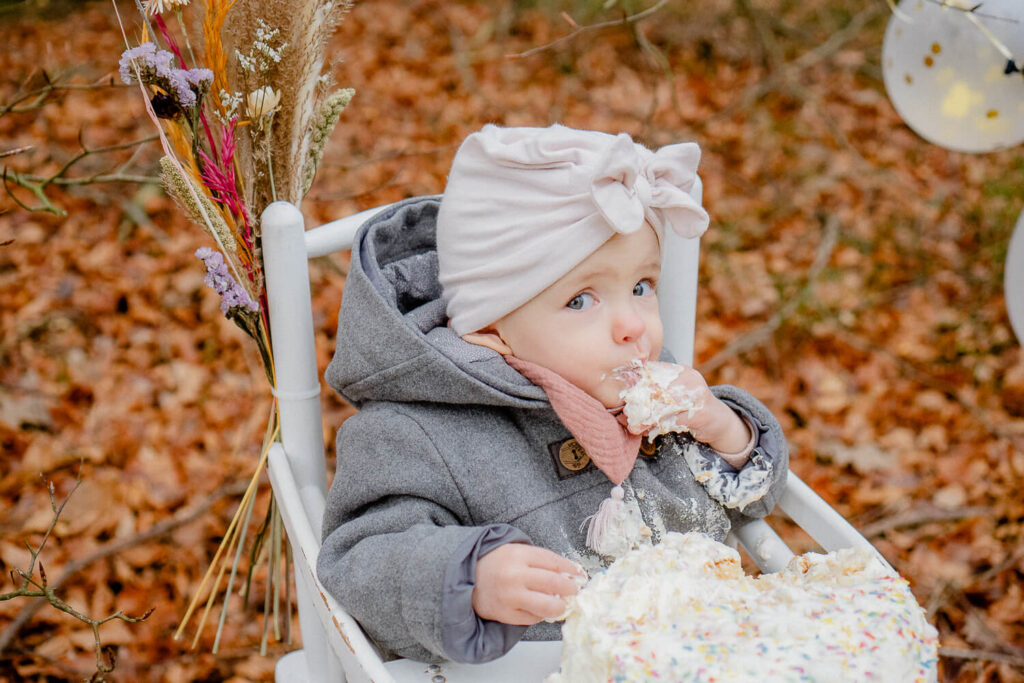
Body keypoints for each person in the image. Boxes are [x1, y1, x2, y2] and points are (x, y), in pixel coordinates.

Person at [317, 124, 788, 664]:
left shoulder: (661, 394)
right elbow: (359, 559)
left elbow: (755, 497)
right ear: (490, 328)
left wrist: (725, 429)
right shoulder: (416, 430)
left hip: (704, 647)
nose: (633, 325)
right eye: (582, 300)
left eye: (641, 287)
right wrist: (469, 578)